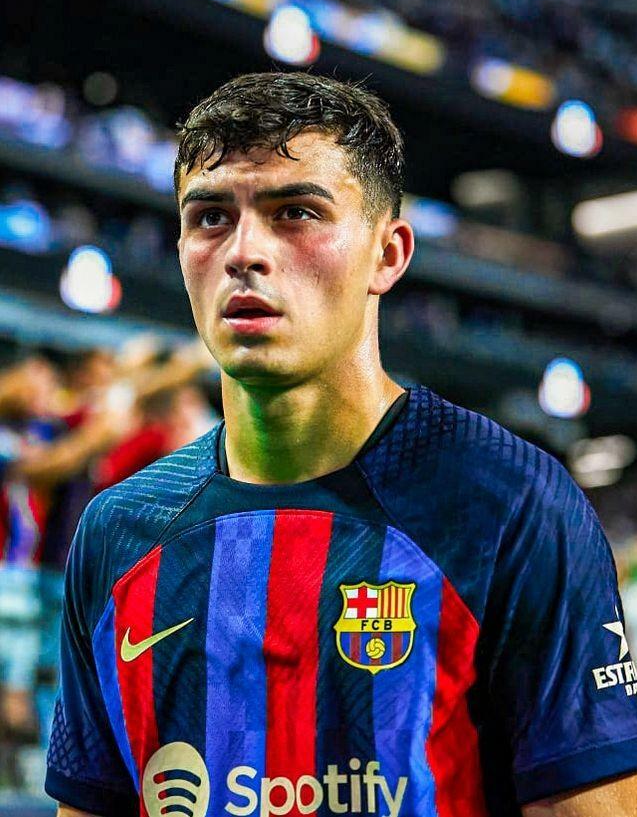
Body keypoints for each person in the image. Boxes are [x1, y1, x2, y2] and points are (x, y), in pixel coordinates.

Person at [46, 72, 637, 817]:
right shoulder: (118, 531)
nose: (244, 251)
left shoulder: (511, 505)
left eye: (296, 212)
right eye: (210, 217)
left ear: (388, 254)